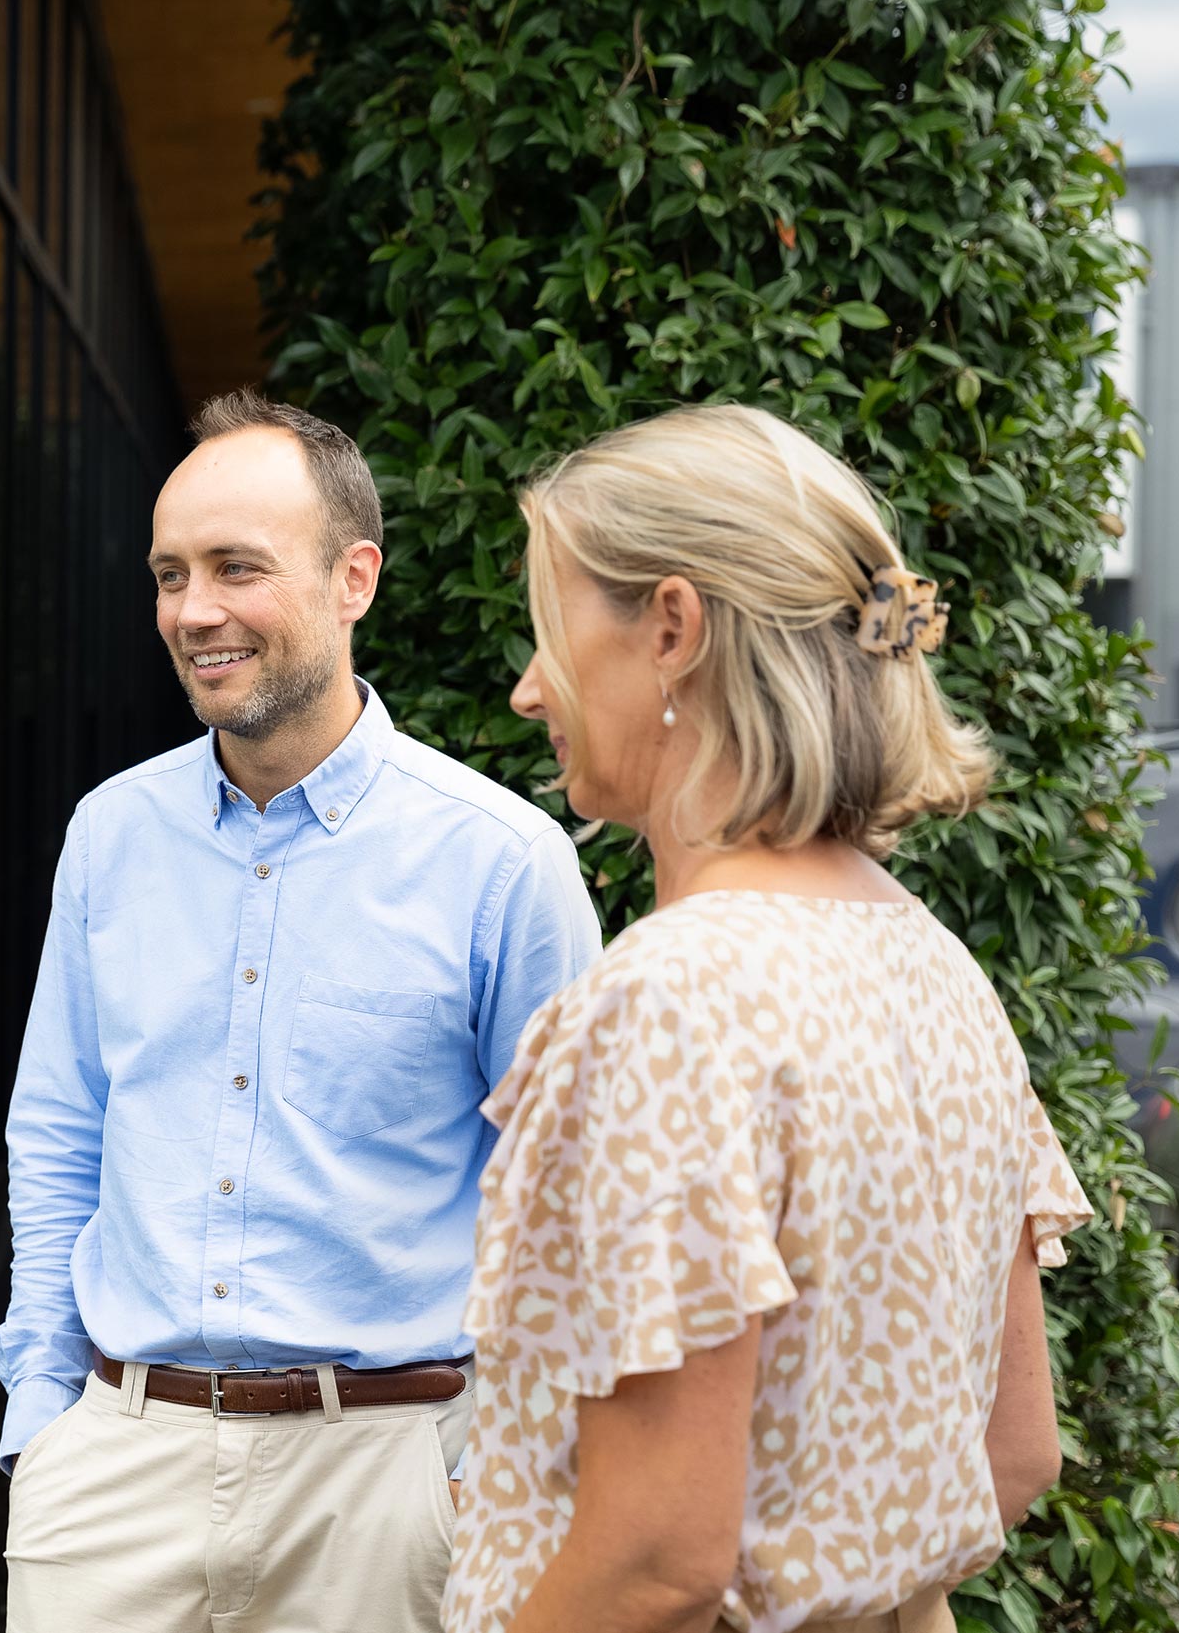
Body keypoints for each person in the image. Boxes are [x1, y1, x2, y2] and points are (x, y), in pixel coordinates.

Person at [442, 404, 1093, 1633]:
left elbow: (656, 1558)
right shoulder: (933, 965)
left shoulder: (667, 1003)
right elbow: (1014, 1454)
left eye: (553, 629)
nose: (533, 689)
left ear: (673, 627)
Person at [0, 389, 603, 1633]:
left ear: (352, 580)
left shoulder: (501, 862)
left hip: (391, 1489)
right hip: (115, 1470)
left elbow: (572, 1208)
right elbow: (60, 1131)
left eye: (235, 567)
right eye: (170, 573)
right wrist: (40, 1419)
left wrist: (493, 1469)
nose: (192, 610)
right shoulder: (110, 836)